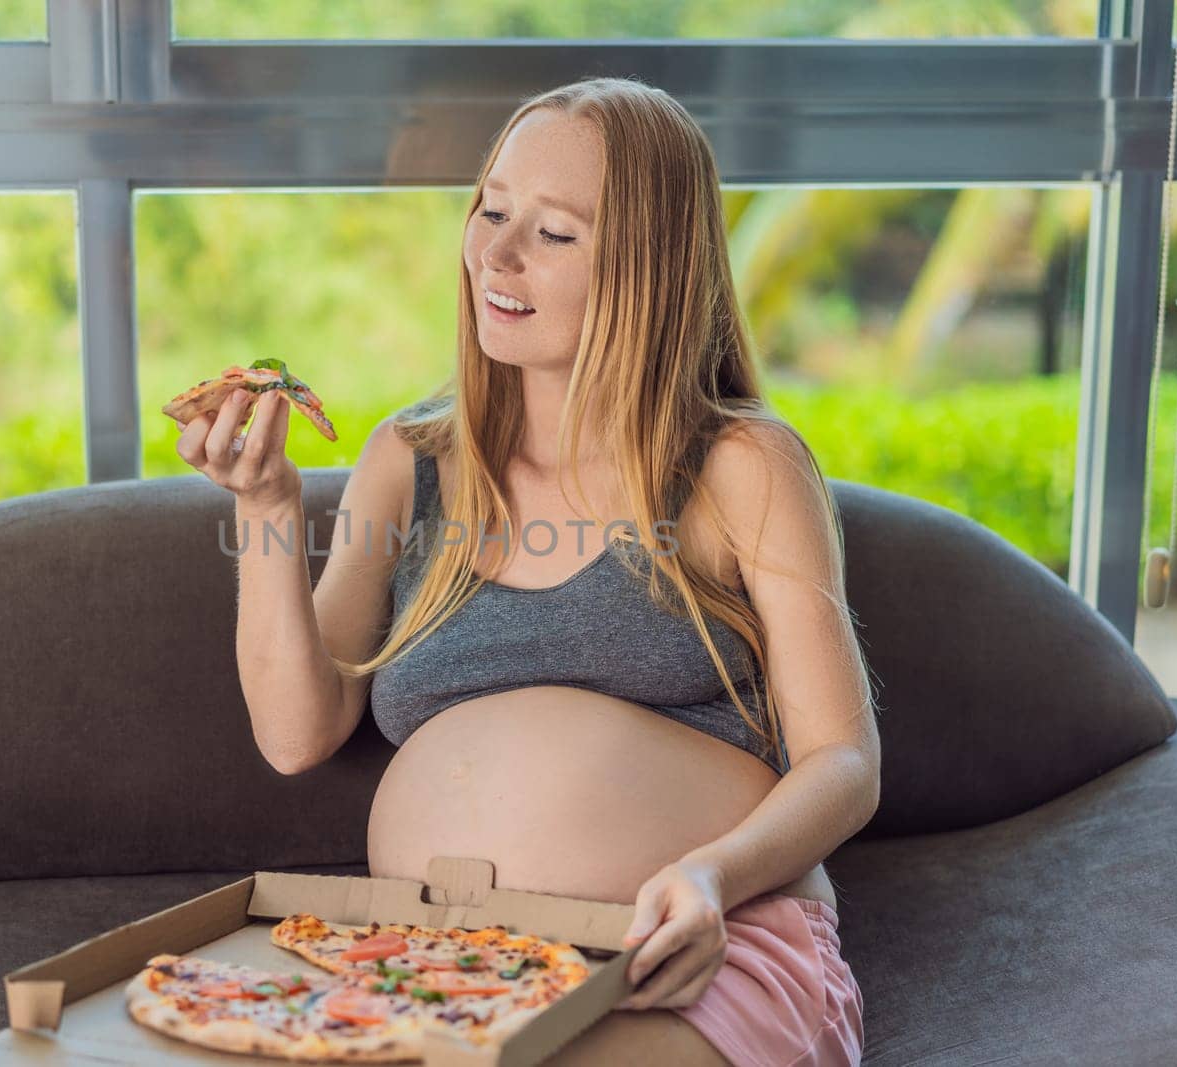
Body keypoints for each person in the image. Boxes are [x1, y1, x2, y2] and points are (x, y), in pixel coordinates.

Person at [177, 75, 876, 1067]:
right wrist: (264, 510)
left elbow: (843, 763)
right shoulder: (408, 459)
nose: (495, 256)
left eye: (553, 234)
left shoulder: (739, 467)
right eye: (491, 210)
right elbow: (297, 733)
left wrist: (713, 878)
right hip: (444, 958)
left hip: (685, 949)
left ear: (647, 266)